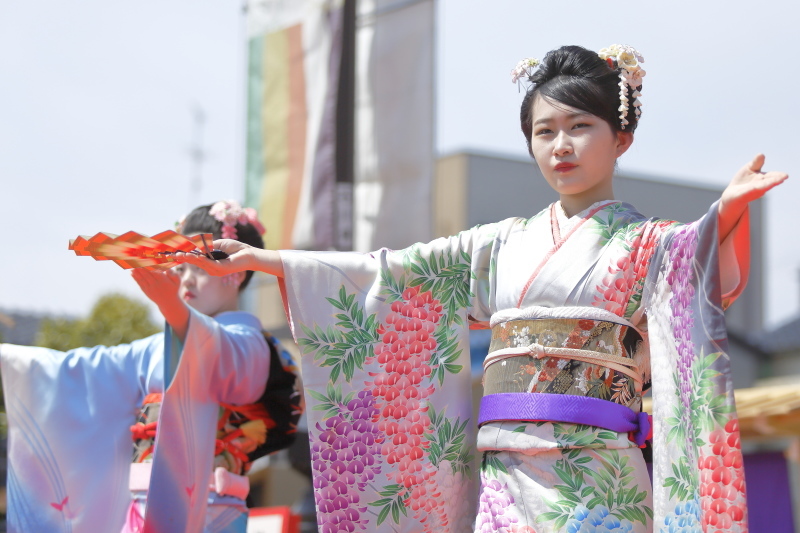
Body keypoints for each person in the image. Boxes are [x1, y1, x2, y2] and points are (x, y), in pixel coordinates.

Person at [178, 45, 788, 533]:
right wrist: (271, 259)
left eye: (581, 126)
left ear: (620, 137)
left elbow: (706, 272)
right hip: (502, 472)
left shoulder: (651, 242)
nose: (562, 145)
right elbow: (392, 273)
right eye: (544, 130)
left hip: (597, 471)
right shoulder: (497, 244)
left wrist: (727, 215)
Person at [0, 201, 302, 533]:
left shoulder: (250, 345)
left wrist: (173, 307)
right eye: (179, 268)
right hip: (139, 514)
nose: (185, 280)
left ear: (236, 272)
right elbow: (82, 370)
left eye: (198, 267)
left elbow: (215, 358)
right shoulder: (157, 347)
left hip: (214, 512)